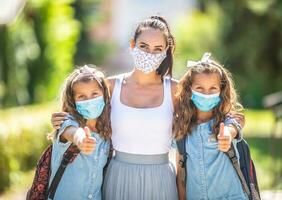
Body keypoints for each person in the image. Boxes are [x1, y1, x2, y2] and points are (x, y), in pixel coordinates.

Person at [51, 16, 245, 200]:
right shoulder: (110, 87)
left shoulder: (176, 90)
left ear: (165, 52)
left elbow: (211, 113)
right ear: (132, 45)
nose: (149, 54)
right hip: (118, 177)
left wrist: (233, 125)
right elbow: (84, 115)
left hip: (162, 180)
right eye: (143, 46)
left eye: (157, 48)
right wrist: (65, 125)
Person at [173, 53, 248, 200]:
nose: (206, 94)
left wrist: (227, 134)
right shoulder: (182, 127)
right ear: (189, 89)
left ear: (221, 90)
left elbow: (236, 123)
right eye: (199, 88)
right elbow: (181, 172)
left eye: (213, 88)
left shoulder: (227, 121)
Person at [49, 65, 111, 200]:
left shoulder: (107, 131)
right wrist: (81, 140)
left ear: (104, 94)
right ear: (73, 100)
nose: (89, 100)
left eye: (94, 94)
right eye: (81, 96)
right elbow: (73, 132)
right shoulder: (66, 122)